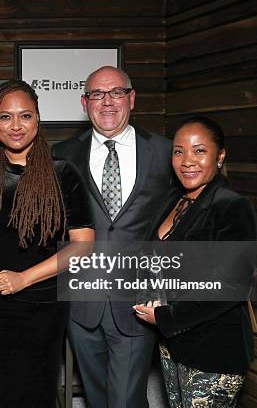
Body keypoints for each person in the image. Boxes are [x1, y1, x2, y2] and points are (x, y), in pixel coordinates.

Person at [0, 80, 95, 407]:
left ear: (38, 120)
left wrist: (24, 278)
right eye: (6, 117)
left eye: (25, 115)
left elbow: (83, 245)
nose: (16, 125)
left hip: (41, 306)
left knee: (33, 391)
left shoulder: (63, 174)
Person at [50, 66, 173, 407]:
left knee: (125, 399)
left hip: (137, 300)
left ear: (131, 98)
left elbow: (190, 209)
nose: (107, 102)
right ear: (84, 102)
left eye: (116, 92)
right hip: (81, 301)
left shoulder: (164, 152)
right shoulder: (61, 154)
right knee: (97, 396)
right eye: (97, 94)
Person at [134, 116, 256, 408]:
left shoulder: (231, 206)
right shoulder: (174, 200)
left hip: (213, 348)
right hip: (174, 345)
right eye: (179, 151)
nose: (187, 161)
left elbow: (234, 284)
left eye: (199, 150)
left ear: (220, 155)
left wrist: (166, 318)